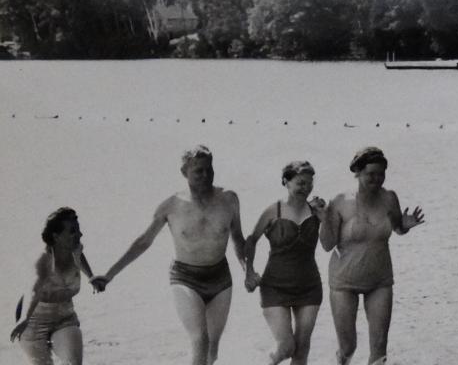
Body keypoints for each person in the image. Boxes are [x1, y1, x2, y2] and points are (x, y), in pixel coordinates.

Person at [90, 145, 248, 365]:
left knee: (212, 352)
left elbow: (238, 238)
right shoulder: (170, 206)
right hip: (185, 278)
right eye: (198, 171)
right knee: (199, 340)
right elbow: (143, 242)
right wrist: (109, 275)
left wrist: (248, 271)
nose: (205, 175)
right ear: (184, 173)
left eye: (209, 169)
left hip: (221, 279)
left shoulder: (229, 199)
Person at [321, 147, 425, 365]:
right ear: (357, 172)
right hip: (344, 283)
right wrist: (323, 219)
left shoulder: (389, 198)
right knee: (348, 346)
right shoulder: (340, 202)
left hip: (380, 281)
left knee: (379, 350)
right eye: (371, 174)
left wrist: (405, 226)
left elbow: (397, 227)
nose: (377, 179)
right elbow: (327, 244)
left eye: (381, 173)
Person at [244, 161, 326, 365]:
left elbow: (329, 243)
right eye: (300, 183)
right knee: (286, 346)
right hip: (275, 287)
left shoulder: (316, 210)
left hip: (309, 287)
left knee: (302, 347)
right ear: (286, 182)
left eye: (309, 183)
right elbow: (251, 240)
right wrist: (249, 272)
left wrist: (325, 218)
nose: (305, 188)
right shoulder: (274, 210)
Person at [9, 207, 100, 365]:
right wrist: (23, 319)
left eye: (78, 230)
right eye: (72, 231)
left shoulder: (75, 248)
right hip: (32, 324)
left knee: (73, 363)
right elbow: (30, 290)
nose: (80, 235)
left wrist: (91, 276)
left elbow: (79, 256)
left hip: (65, 318)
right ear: (56, 236)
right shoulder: (43, 260)